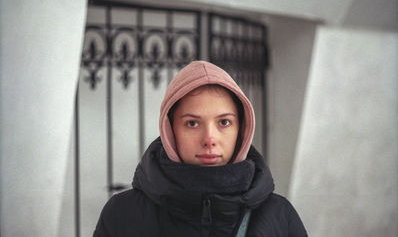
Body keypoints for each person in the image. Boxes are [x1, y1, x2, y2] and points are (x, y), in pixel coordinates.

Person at [93, 61, 307, 237]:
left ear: (241, 129)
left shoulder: (280, 215)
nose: (209, 139)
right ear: (170, 130)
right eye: (192, 123)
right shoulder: (122, 214)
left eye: (224, 122)